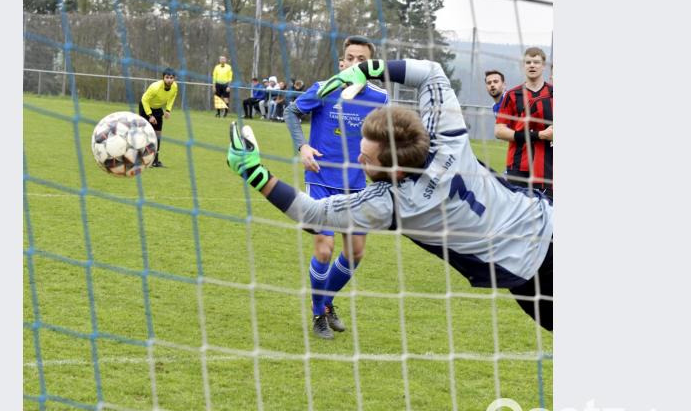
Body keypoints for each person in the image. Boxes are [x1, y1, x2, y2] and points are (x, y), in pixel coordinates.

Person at [226, 58, 554, 332]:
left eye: (366, 159)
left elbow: (311, 214)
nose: (358, 159)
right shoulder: (447, 137)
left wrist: (255, 173)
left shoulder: (394, 203)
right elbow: (432, 72)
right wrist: (369, 68)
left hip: (529, 275)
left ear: (394, 171)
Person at [282, 35, 389, 339]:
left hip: (356, 186)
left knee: (355, 252)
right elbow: (291, 112)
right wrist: (302, 147)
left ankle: (326, 302)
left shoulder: (379, 98)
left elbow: (386, 136)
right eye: (350, 58)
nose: (355, 64)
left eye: (362, 61)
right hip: (321, 180)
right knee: (325, 249)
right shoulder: (324, 89)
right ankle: (318, 314)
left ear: (371, 67)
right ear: (341, 62)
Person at [494, 47, 554, 199]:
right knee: (518, 212)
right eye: (528, 62)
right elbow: (499, 131)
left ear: (544, 66)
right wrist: (538, 135)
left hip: (548, 166)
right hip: (518, 166)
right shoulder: (513, 95)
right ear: (523, 66)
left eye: (536, 62)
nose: (532, 65)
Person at [138, 67, 178, 168]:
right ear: (163, 78)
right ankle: (139, 158)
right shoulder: (155, 87)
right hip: (145, 107)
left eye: (171, 78)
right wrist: (149, 115)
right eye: (167, 77)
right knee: (144, 133)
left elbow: (172, 97)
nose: (169, 80)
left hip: (157, 109)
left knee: (157, 135)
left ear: (174, 79)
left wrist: (168, 110)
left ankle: (155, 161)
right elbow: (144, 100)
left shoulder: (174, 87)